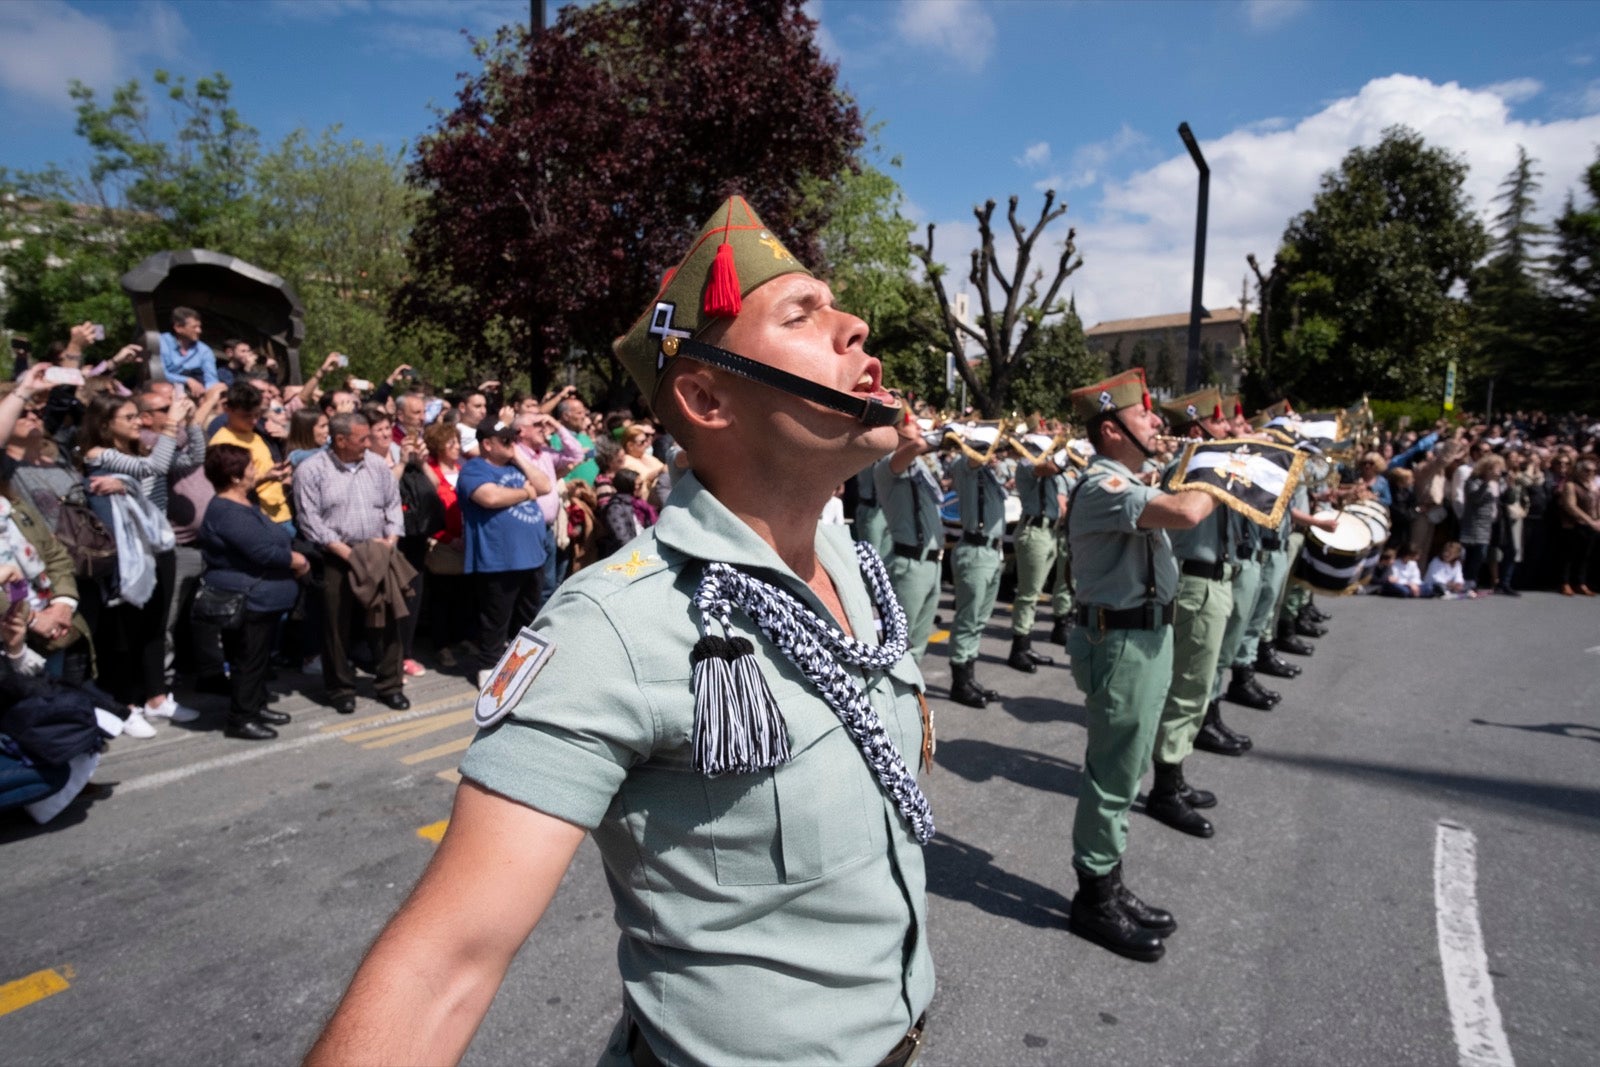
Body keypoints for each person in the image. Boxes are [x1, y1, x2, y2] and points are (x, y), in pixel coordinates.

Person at [309, 196, 932, 1066]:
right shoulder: (613, 623)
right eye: (803, 312)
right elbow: (442, 964)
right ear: (708, 396)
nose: (855, 324)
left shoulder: (846, 553)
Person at [1063, 367, 1216, 963]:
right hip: (1120, 643)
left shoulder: (1127, 478)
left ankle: (1110, 881)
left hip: (1144, 637)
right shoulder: (1102, 486)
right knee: (1113, 771)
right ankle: (1094, 896)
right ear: (1111, 427)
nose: (1158, 421)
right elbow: (1187, 513)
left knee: (1124, 771)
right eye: (1145, 413)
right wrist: (1217, 466)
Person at [1147, 389, 1237, 839]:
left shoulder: (1213, 467)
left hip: (1214, 580)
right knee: (1186, 688)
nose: (1230, 430)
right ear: (1200, 428)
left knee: (1197, 687)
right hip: (1195, 585)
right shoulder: (1184, 470)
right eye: (1220, 424)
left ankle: (1174, 776)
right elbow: (1181, 513)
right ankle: (1165, 787)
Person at [79, 392, 198, 731]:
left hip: (157, 546)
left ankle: (156, 698)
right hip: (128, 553)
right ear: (105, 425)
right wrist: (172, 423)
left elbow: (191, 460)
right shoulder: (98, 454)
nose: (138, 422)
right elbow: (154, 468)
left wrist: (192, 422)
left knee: (155, 627)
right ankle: (125, 703)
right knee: (125, 632)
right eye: (129, 417)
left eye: (137, 416)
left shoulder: (141, 449)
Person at [293, 412, 409, 714]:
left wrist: (390, 541)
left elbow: (392, 505)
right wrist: (348, 554)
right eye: (362, 439)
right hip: (336, 557)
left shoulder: (376, 465)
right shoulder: (311, 470)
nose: (368, 444)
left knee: (387, 622)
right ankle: (341, 688)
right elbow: (310, 521)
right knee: (336, 625)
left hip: (379, 551)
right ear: (340, 440)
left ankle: (389, 685)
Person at [198, 444, 309, 740]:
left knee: (257, 658)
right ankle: (241, 717)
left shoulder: (240, 502)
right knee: (248, 658)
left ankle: (256, 704)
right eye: (249, 467)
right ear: (234, 477)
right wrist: (295, 560)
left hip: (262, 597)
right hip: (248, 598)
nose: (255, 471)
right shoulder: (226, 510)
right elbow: (261, 551)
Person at [457, 422, 552, 689]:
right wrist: (525, 492)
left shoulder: (516, 464)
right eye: (506, 441)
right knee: (495, 621)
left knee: (529, 618)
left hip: (531, 557)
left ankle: (526, 668)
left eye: (513, 439)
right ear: (487, 444)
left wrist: (518, 457)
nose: (512, 444)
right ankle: (489, 671)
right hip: (498, 560)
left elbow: (544, 485)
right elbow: (490, 497)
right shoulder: (474, 469)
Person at [944, 442, 1010, 707]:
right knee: (968, 619)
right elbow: (969, 462)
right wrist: (979, 450)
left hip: (992, 552)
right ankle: (959, 683)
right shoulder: (965, 466)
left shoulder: (988, 471)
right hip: (975, 551)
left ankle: (969, 677)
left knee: (979, 619)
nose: (994, 450)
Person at [875, 429, 945, 665]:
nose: (923, 430)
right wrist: (941, 437)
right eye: (913, 424)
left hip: (932, 563)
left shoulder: (920, 466)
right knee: (898, 645)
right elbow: (915, 446)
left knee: (917, 646)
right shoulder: (886, 466)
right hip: (909, 565)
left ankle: (913, 700)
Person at [1010, 441, 1072, 668]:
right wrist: (1070, 451)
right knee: (1028, 593)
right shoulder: (1028, 463)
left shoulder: (1056, 471)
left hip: (1051, 531)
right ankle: (1019, 647)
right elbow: (1048, 468)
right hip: (1034, 531)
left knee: (1034, 593)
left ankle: (1026, 645)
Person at [210, 382, 295, 529]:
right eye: (246, 416)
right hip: (259, 520)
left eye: (257, 415)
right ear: (228, 409)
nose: (254, 421)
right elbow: (229, 490)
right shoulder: (222, 443)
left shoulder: (255, 432)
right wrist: (266, 478)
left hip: (281, 513)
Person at [1555, 455, 1600, 595]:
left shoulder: (1594, 486)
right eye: (1587, 470)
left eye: (1593, 470)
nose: (1590, 473)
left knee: (1585, 556)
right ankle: (1565, 582)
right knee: (1569, 555)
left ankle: (1581, 582)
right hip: (1575, 525)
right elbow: (1571, 506)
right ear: (1579, 470)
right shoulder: (1571, 485)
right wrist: (1590, 521)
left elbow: (1597, 505)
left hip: (1592, 525)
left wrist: (1598, 520)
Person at [158, 306, 219, 395]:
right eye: (194, 327)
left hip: (196, 392)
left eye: (199, 326)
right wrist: (187, 380)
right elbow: (159, 374)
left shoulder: (204, 350)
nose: (199, 331)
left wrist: (208, 393)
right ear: (178, 327)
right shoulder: (160, 343)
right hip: (165, 390)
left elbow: (211, 379)